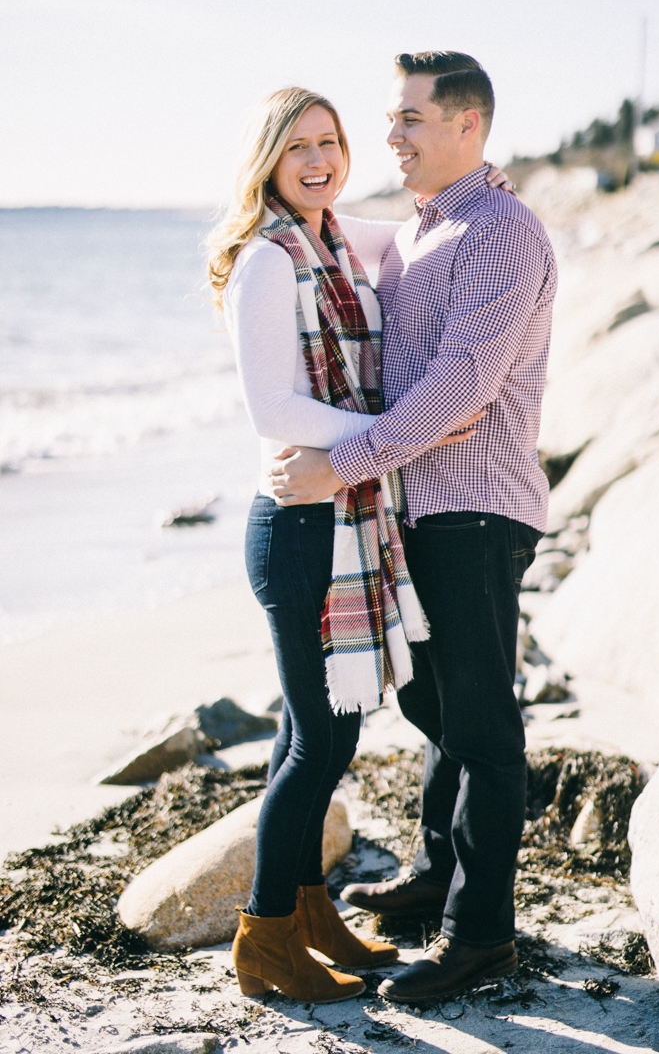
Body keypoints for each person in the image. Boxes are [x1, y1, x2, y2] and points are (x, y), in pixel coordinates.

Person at [206, 86, 508, 1004]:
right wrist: (396, 425)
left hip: (334, 515)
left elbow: (425, 227)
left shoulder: (337, 240)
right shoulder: (269, 258)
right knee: (321, 743)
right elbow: (273, 409)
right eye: (297, 147)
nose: (318, 161)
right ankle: (264, 939)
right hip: (299, 524)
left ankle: (305, 915)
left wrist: (484, 180)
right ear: (267, 158)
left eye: (330, 143)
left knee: (309, 731)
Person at [269, 52, 558, 1002]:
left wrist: (336, 464)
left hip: (476, 509)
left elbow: (458, 390)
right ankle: (441, 874)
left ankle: (482, 936)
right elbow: (301, 218)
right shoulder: (425, 229)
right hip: (418, 504)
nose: (389, 136)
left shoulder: (502, 233)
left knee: (480, 725)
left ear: (467, 126)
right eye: (389, 121)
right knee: (434, 708)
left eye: (408, 121)